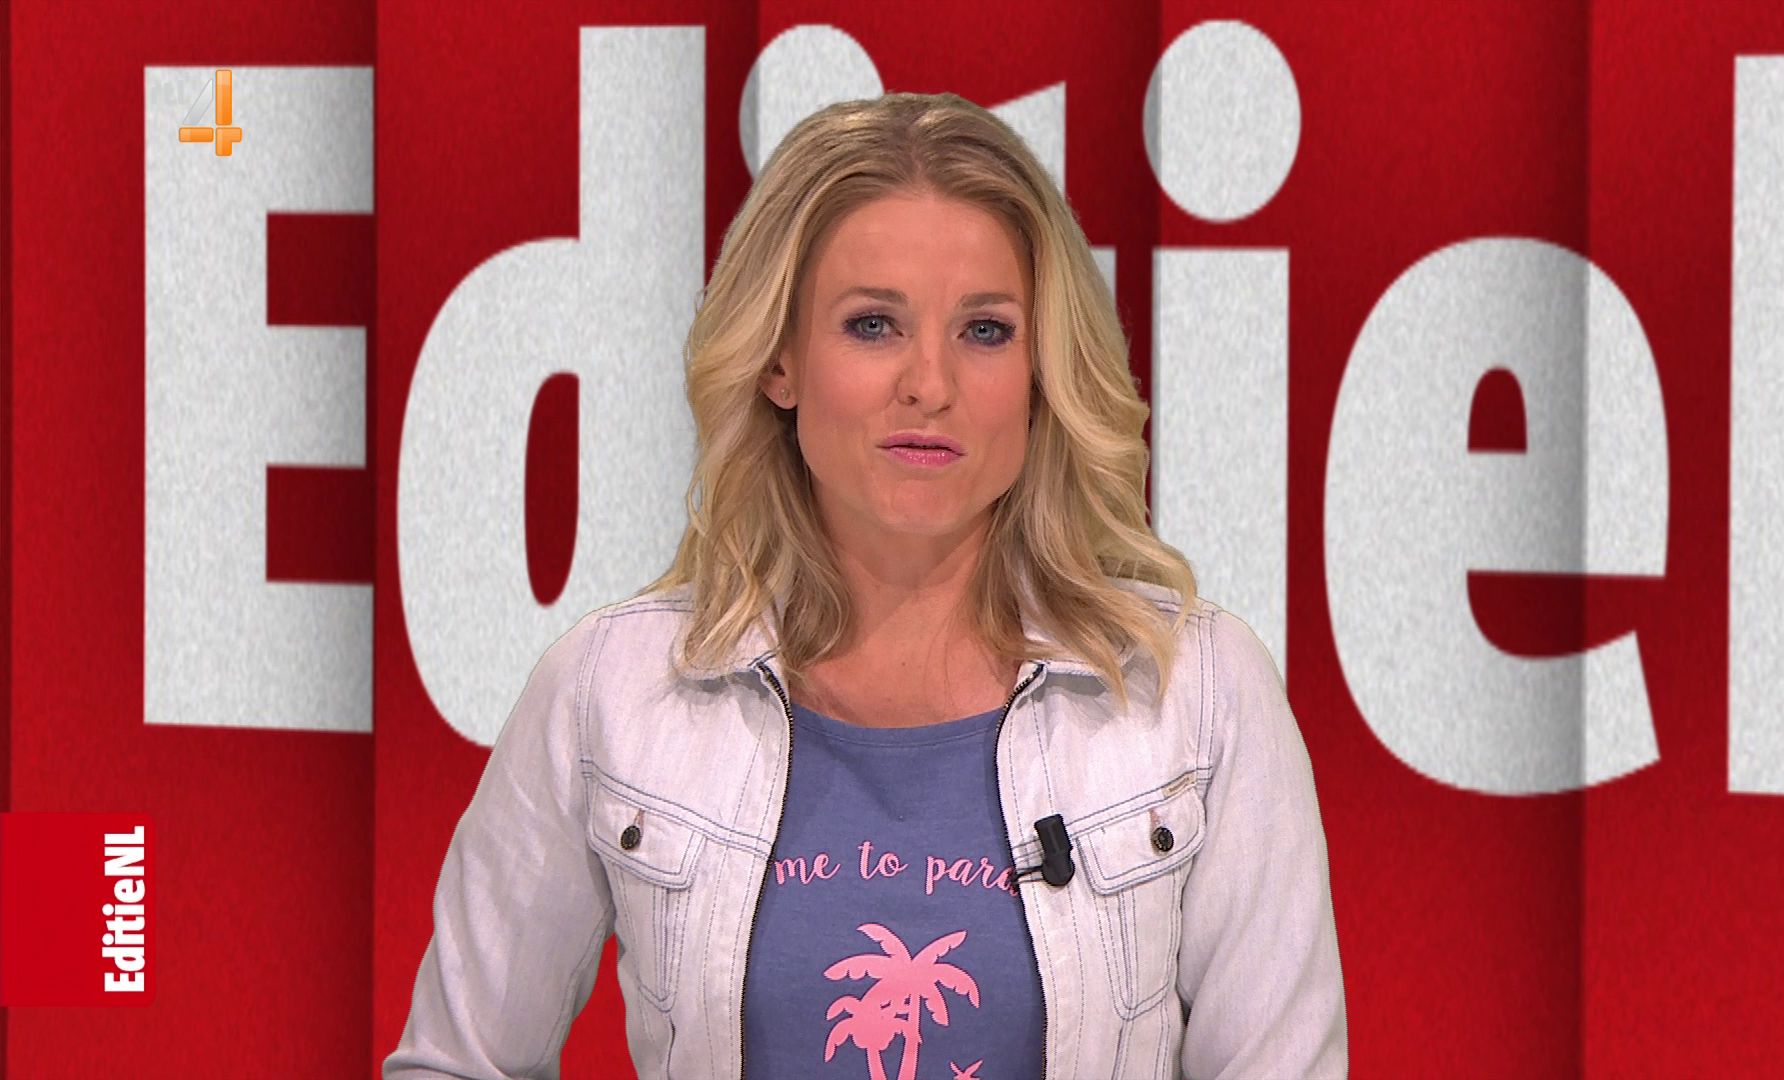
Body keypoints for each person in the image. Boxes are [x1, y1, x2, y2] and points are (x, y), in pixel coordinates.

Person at [385, 90, 1346, 1080]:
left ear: (1042, 372)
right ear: (780, 361)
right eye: (874, 324)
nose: (929, 383)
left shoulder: (1195, 692)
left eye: (985, 331)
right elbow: (455, 1063)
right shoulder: (612, 691)